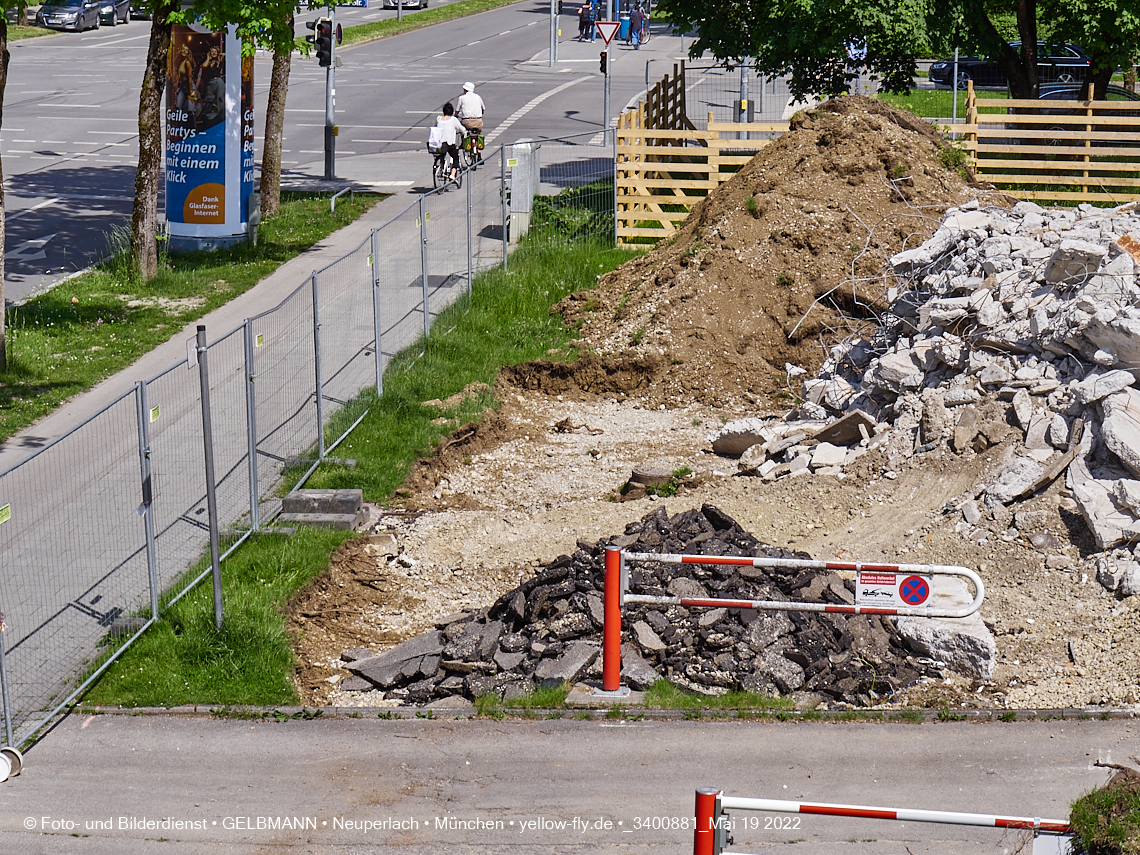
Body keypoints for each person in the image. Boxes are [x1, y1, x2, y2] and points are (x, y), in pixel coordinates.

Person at [433, 101, 465, 182]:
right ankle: (452, 174)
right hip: (449, 144)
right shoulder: (453, 120)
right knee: (455, 157)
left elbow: (435, 127)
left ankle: (441, 166)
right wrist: (464, 132)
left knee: (442, 154)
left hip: (438, 144)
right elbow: (462, 129)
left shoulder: (438, 119)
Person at [456, 81, 486, 164]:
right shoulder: (478, 97)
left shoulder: (461, 98)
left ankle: (463, 142)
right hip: (478, 121)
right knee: (478, 133)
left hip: (466, 121)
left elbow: (457, 110)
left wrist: (455, 115)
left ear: (465, 89)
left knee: (463, 129)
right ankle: (479, 152)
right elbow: (483, 108)